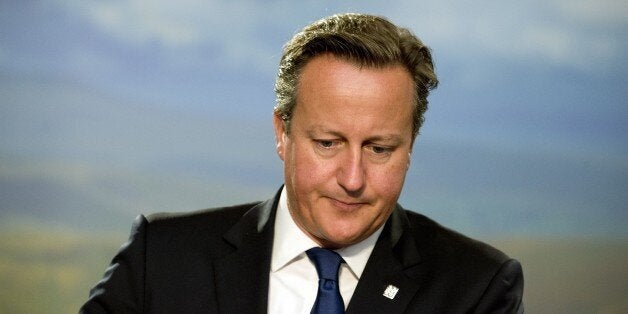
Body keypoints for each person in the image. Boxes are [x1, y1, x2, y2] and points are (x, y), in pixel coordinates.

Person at [81, 13, 523, 313]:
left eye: (379, 149)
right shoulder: (162, 258)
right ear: (282, 132)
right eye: (329, 143)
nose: (353, 179)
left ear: (411, 146)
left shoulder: (475, 288)